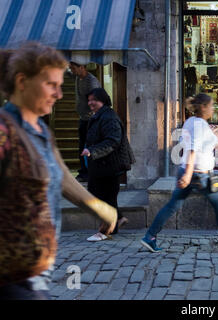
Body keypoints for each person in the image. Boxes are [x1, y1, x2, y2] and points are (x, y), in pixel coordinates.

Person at [0, 42, 117, 300]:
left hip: (36, 272)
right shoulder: (4, 133)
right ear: (22, 82)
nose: (59, 94)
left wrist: (102, 210)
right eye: (51, 85)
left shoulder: (41, 132)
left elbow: (62, 177)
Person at [141, 93, 218, 252]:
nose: (213, 109)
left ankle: (150, 237)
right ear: (203, 107)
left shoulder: (192, 122)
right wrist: (188, 174)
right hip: (200, 174)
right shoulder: (199, 125)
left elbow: (199, 145)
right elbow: (192, 149)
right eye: (211, 105)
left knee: (172, 205)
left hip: (190, 171)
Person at [81, 88, 134, 242]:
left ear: (102, 100)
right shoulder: (99, 115)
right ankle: (117, 221)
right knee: (105, 195)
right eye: (89, 99)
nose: (90, 103)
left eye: (94, 100)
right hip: (102, 164)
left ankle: (106, 229)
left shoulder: (109, 117)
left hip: (109, 164)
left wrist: (92, 151)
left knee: (102, 195)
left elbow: (113, 140)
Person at [69, 62, 101, 182]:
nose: (71, 70)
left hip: (91, 119)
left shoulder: (91, 81)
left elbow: (97, 101)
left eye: (73, 68)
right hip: (83, 118)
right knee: (82, 145)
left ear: (81, 67)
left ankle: (89, 172)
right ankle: (84, 172)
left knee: (89, 146)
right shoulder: (78, 78)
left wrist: (93, 117)